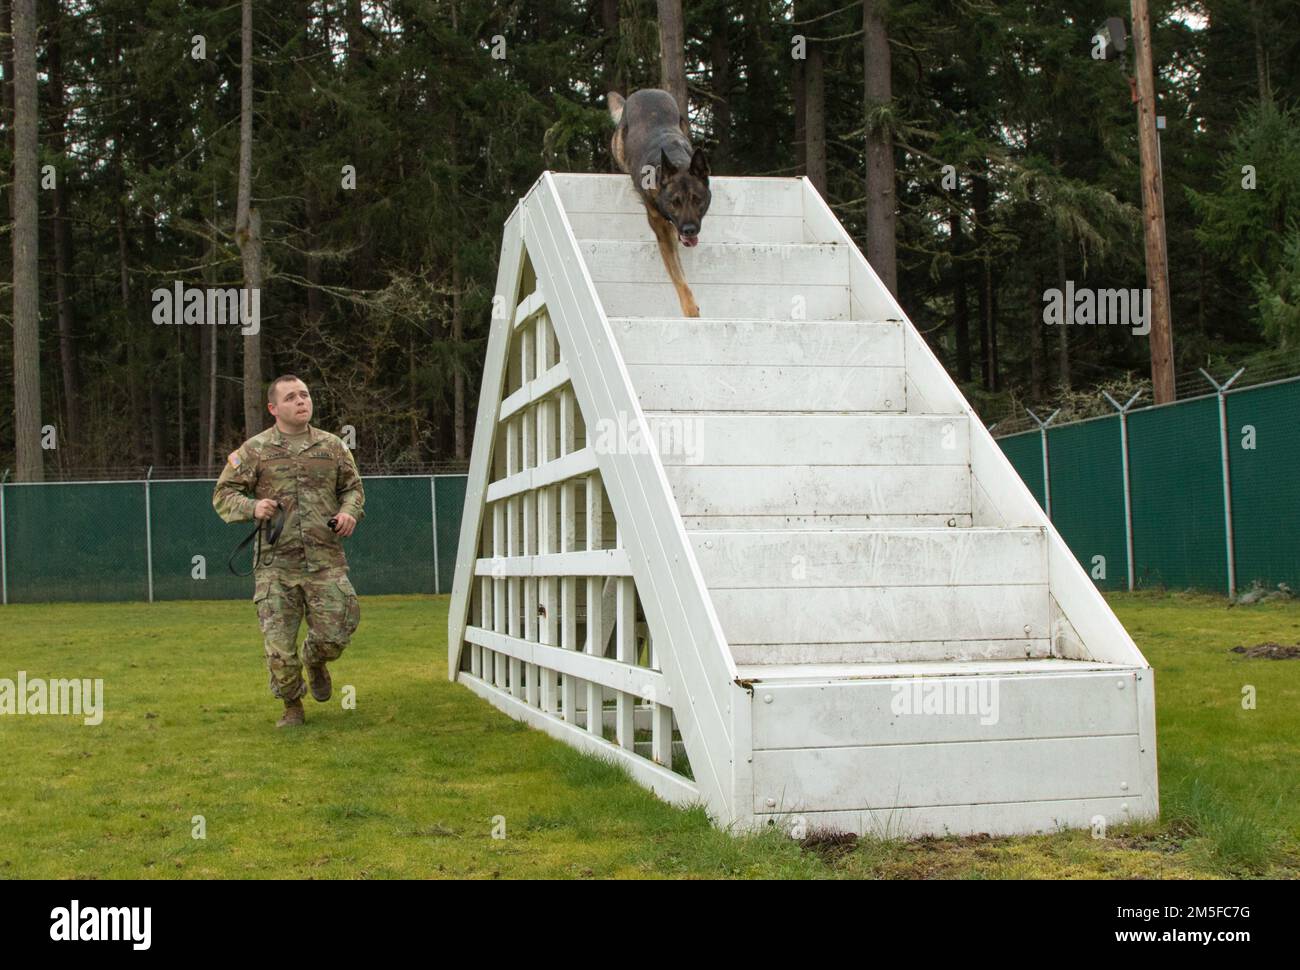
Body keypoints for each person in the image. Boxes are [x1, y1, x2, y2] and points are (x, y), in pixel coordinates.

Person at [213, 374, 365, 727]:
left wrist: (348, 512)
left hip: (325, 560)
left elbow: (353, 488)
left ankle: (315, 660)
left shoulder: (332, 447)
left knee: (336, 633)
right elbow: (223, 494)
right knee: (279, 649)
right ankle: (293, 706)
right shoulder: (255, 450)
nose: (301, 402)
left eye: (305, 395)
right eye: (292, 397)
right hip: (275, 565)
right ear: (273, 408)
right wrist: (253, 508)